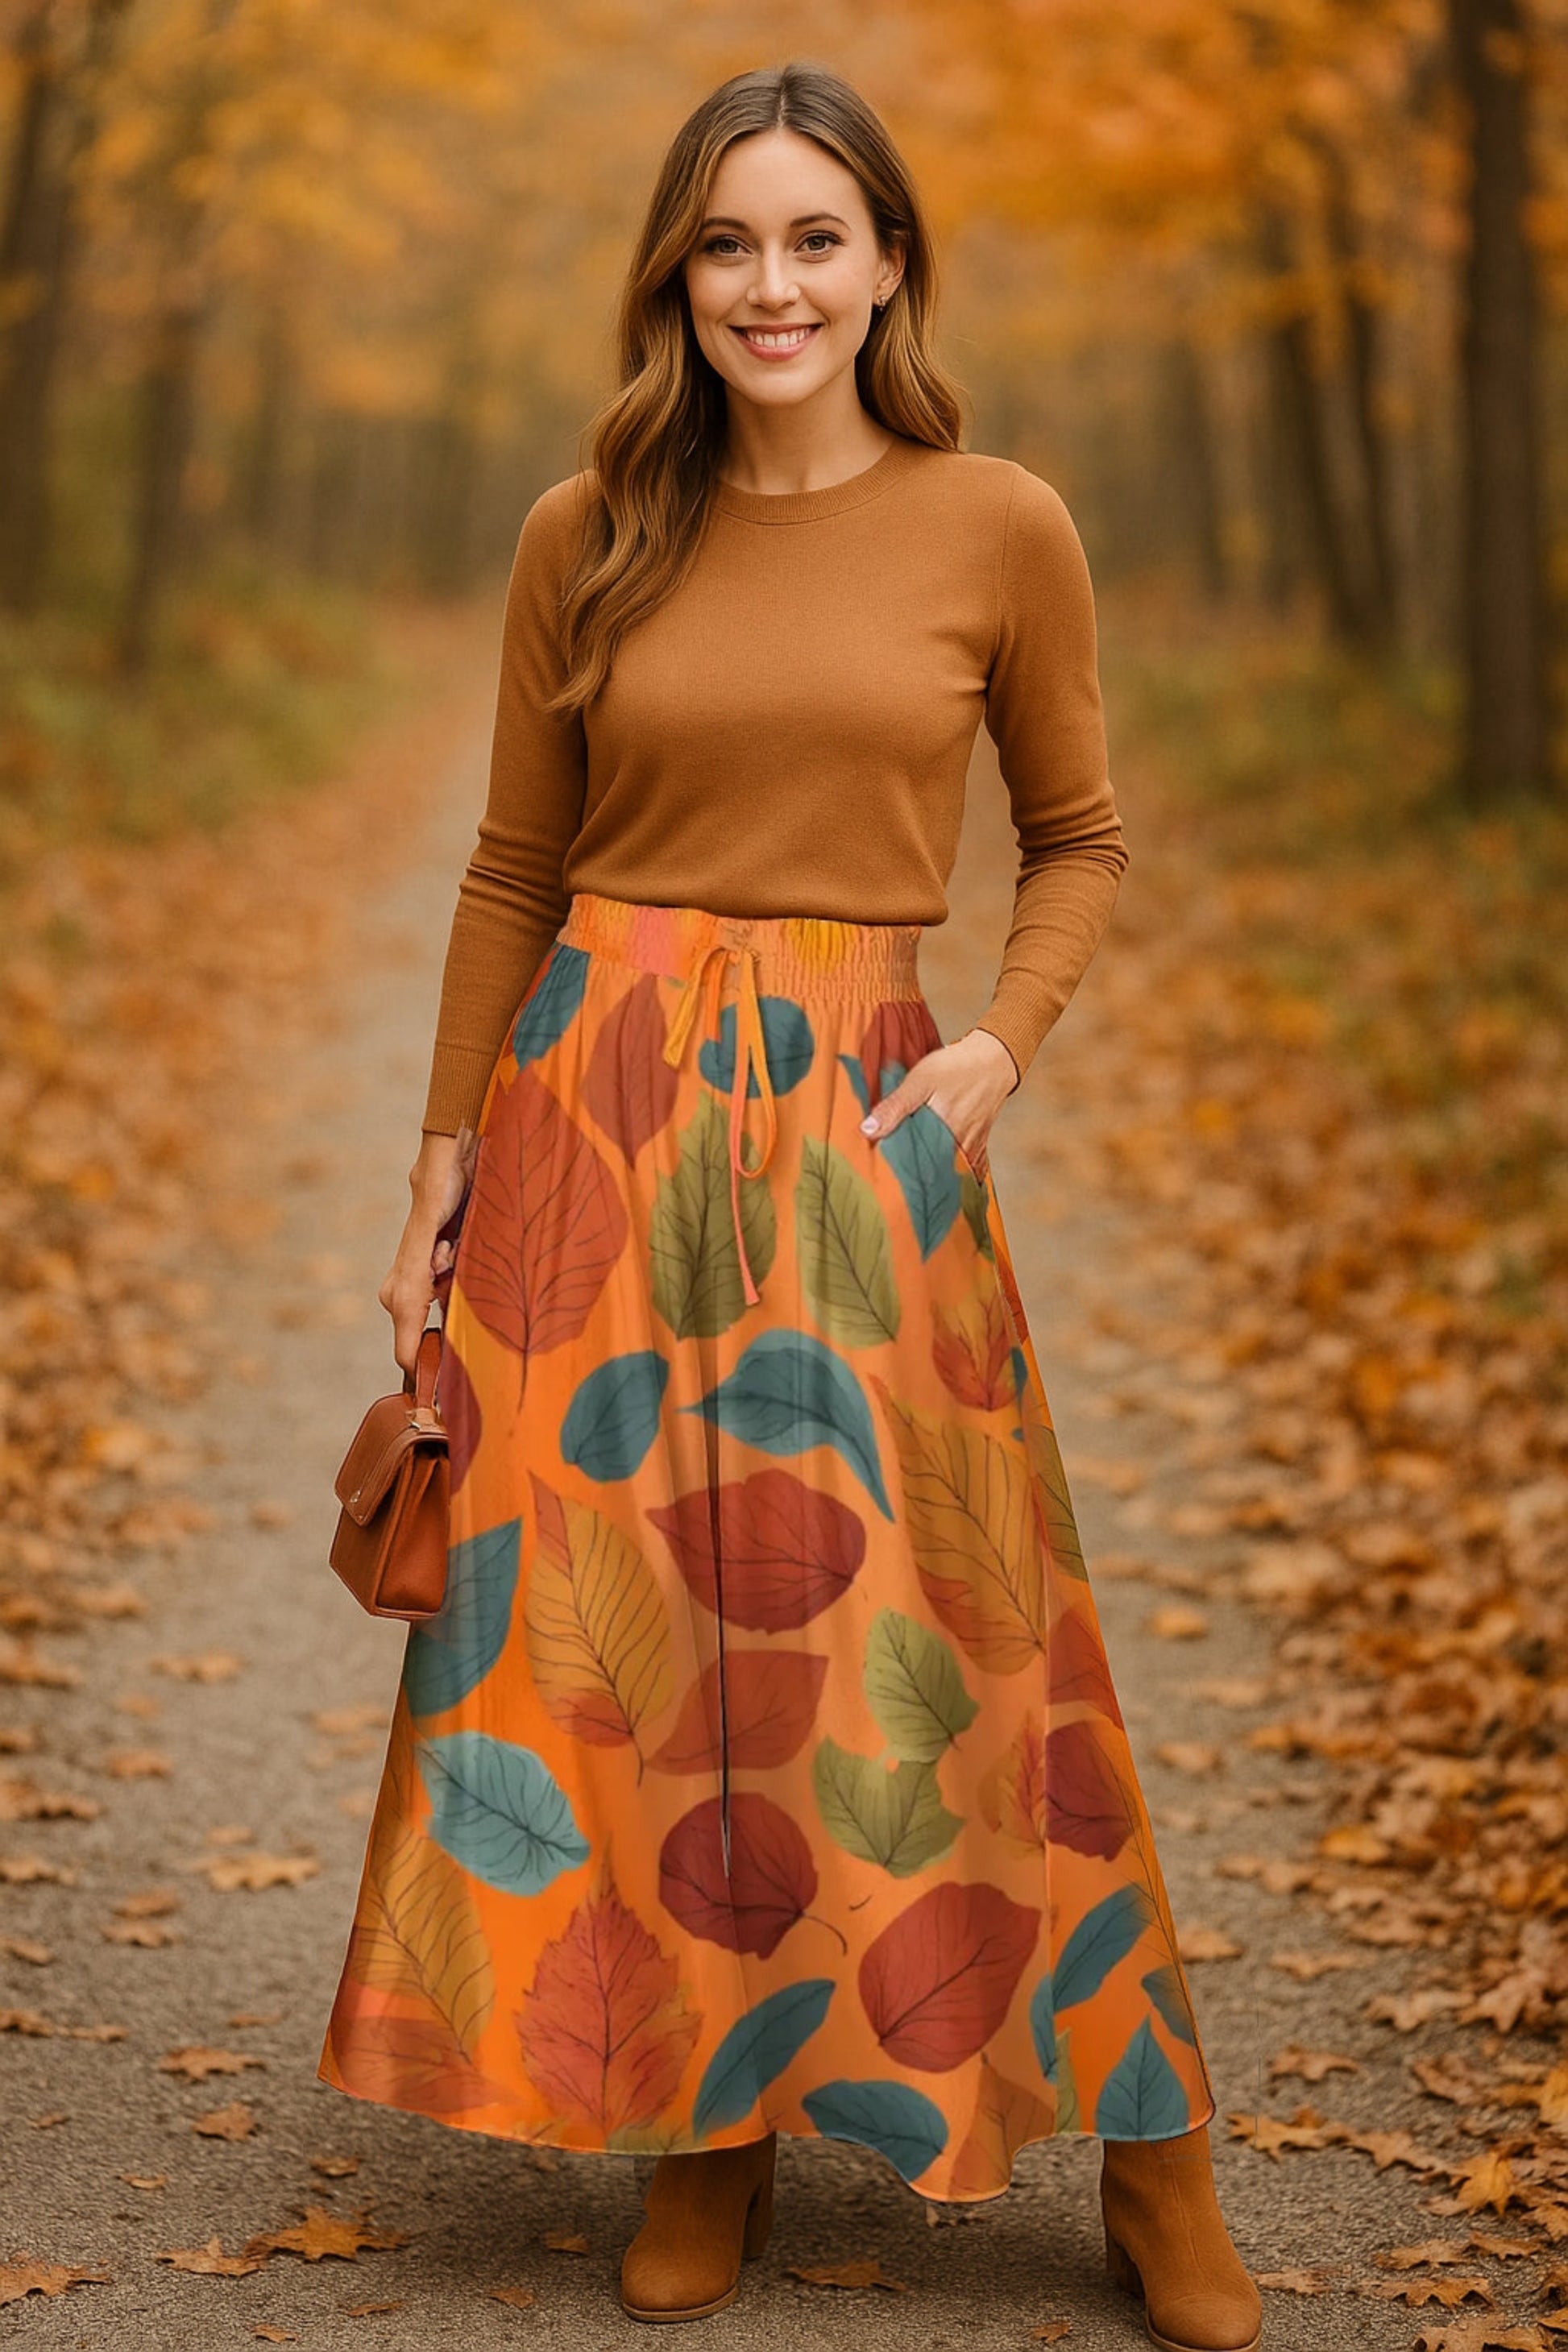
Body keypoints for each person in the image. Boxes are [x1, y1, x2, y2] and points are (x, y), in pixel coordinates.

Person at [316, 59, 1263, 2352]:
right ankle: (702, 2121)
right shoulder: (592, 525)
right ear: (678, 272)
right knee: (649, 1628)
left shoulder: (996, 524)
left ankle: (1151, 2147)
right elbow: (510, 866)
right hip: (594, 1122)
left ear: (889, 263)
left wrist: (996, 1043)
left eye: (814, 238)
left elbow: (1081, 836)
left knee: (954, 1633)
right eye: (727, 243)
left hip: (863, 1117)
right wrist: (442, 1165)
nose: (771, 285)